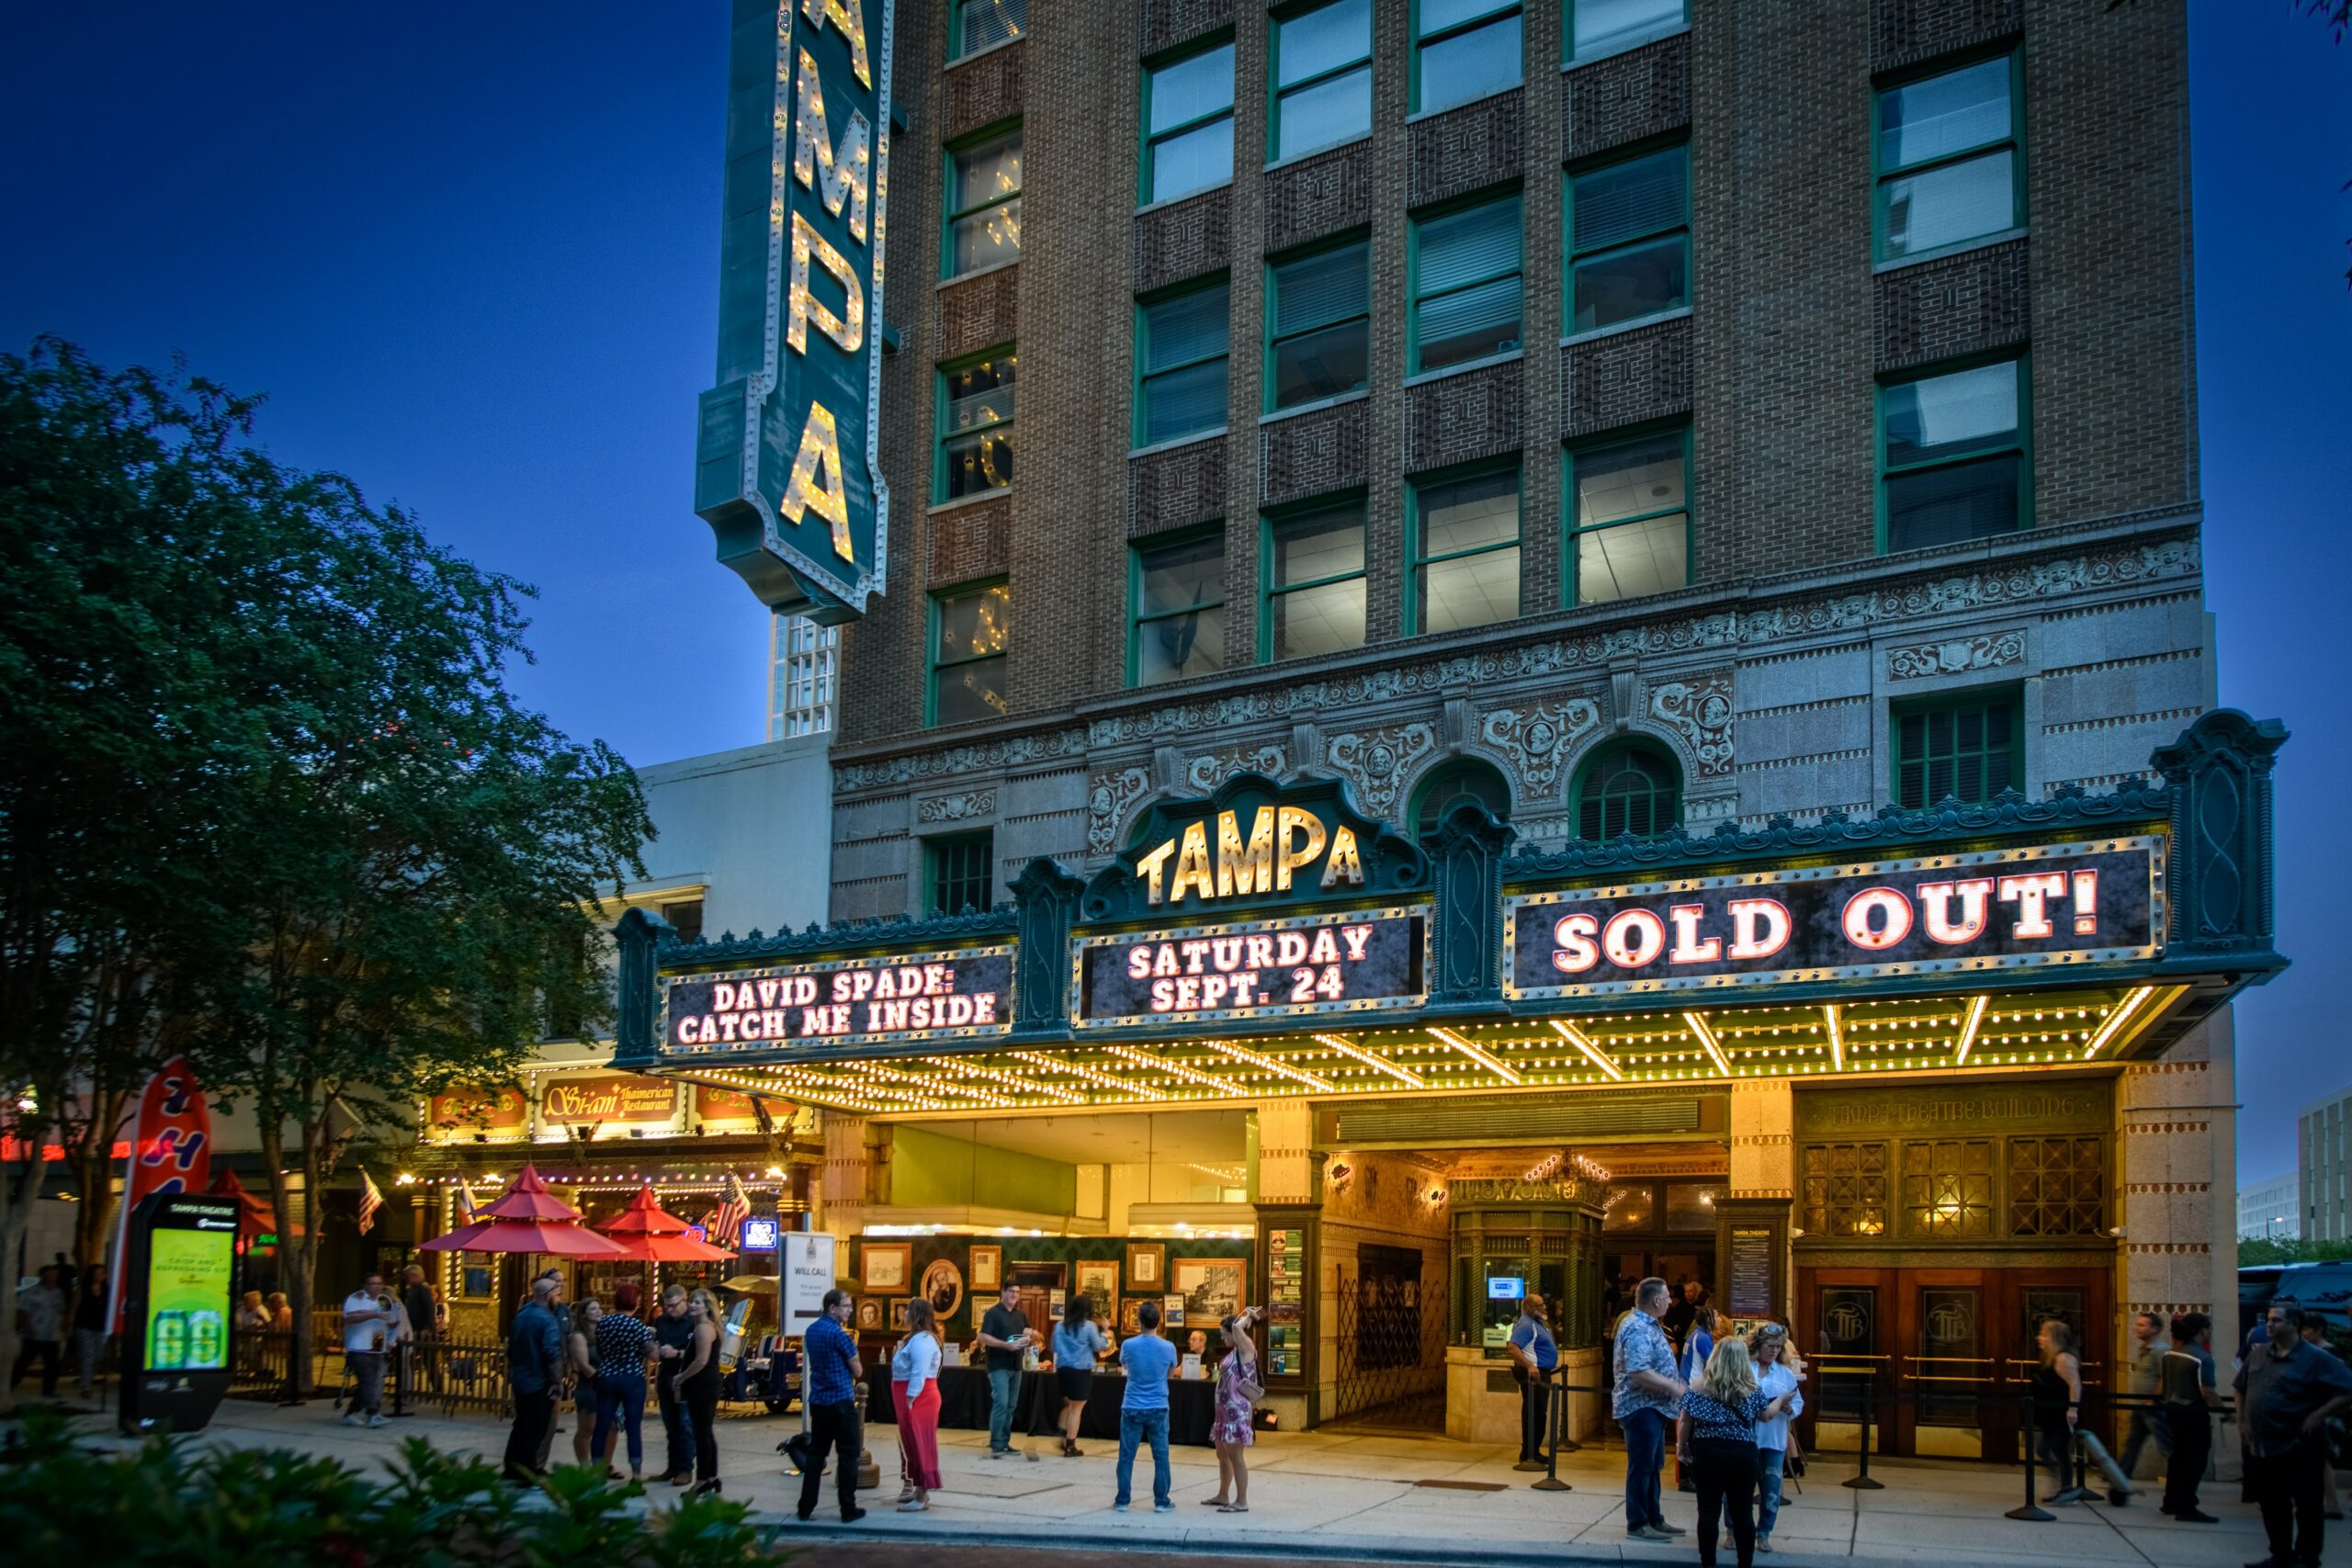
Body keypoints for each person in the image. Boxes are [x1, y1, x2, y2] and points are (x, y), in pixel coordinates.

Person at [2237, 1303, 2352, 1568]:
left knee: (2307, 1504)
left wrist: (2318, 1415)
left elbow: (2347, 1390)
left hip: (2301, 1444)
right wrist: (2242, 1420)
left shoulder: (2317, 1358)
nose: (2270, 1325)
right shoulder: (2259, 1354)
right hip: (2265, 1444)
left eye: (2277, 1320)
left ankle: (2307, 1558)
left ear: (2295, 1325)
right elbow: (2240, 1386)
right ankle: (2281, 1554)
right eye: (2269, 1319)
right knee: (2272, 1502)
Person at [1680, 1337, 1796, 1568]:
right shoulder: (1750, 1388)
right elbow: (1766, 1415)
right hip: (1743, 1454)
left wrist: (1681, 1446)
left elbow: (1685, 1420)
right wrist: (1781, 1399)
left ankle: (1708, 1562)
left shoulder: (1699, 1385)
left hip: (1708, 1451)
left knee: (1708, 1512)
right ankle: (1745, 1562)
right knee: (1743, 1512)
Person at [1611, 1275, 1688, 1543]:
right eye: (1666, 1297)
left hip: (1654, 1407)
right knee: (1642, 1467)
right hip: (1640, 1407)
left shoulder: (1649, 1325)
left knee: (1653, 1466)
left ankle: (1654, 1519)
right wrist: (1672, 1386)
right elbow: (1638, 1370)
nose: (1670, 1301)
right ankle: (1638, 1523)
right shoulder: (1637, 1327)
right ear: (1656, 1300)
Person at [2031, 1319, 2133, 1504]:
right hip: (2051, 1415)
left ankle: (2064, 1486)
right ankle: (2064, 1487)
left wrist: (2073, 1409)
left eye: (2044, 1335)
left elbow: (2075, 1385)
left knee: (2048, 1449)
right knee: (2058, 1450)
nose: (2040, 1338)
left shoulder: (2063, 1358)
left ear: (2055, 1337)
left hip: (2062, 1415)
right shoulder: (2050, 1357)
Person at [796, 1287, 868, 1523]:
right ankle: (848, 1508)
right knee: (848, 1454)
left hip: (819, 1400)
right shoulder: (841, 1336)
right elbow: (858, 1370)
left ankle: (805, 1506)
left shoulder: (812, 1330)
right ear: (832, 1308)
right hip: (841, 1401)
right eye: (846, 1306)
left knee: (816, 1454)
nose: (850, 1310)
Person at [1114, 1297, 1178, 1514]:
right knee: (1161, 1456)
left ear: (1139, 1321)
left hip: (1132, 1405)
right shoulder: (1169, 1347)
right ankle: (1161, 1500)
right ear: (1159, 1322)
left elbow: (1125, 1365)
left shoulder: (1128, 1345)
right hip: (1158, 1406)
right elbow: (1170, 1373)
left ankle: (1123, 1500)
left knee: (1126, 1455)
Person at [2159, 1310, 2223, 1524]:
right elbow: (2208, 1391)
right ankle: (2187, 1505)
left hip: (2172, 1409)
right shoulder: (2202, 1358)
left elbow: (2163, 1385)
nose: (2211, 1332)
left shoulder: (2170, 1354)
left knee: (2177, 1457)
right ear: (2202, 1331)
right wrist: (2223, 1411)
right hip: (2193, 1411)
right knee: (2194, 1460)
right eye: (2209, 1328)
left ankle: (2171, 1501)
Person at [1748, 1324, 1805, 1554]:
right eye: (1769, 1346)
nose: (1773, 1350)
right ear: (1758, 1345)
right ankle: (1733, 1530)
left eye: (1778, 1347)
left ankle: (1763, 1533)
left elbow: (1798, 1402)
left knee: (1771, 1491)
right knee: (1739, 1490)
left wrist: (1791, 1409)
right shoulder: (1746, 1369)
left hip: (1773, 1439)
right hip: (1747, 1439)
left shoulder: (1785, 1374)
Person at [503, 1275, 565, 1484]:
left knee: (521, 1424)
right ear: (547, 1296)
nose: (559, 1299)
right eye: (557, 1295)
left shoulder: (522, 1315)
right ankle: (528, 1471)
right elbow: (552, 1352)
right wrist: (557, 1381)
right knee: (536, 1427)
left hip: (521, 1378)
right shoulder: (547, 1320)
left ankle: (512, 1467)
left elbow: (511, 1347)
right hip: (539, 1380)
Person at [592, 1282, 653, 1483]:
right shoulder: (637, 1326)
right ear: (634, 1302)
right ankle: (636, 1473)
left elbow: (600, 1349)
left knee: (601, 1426)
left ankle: (596, 1470)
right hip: (632, 1376)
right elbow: (651, 1352)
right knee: (633, 1427)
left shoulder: (604, 1323)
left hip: (607, 1374)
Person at [1204, 1304, 1261, 1514]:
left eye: (1224, 1334)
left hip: (1236, 1411)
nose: (1222, 1338)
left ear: (1234, 1333)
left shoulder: (1247, 1348)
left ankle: (1241, 1500)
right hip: (1225, 1411)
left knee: (1236, 1456)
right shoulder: (1235, 1351)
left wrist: (1248, 1316)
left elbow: (1237, 1327)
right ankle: (1223, 1494)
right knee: (1222, 1454)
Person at [892, 1297, 944, 1512]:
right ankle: (919, 1488)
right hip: (912, 1396)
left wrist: (911, 1397)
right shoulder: (915, 1338)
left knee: (921, 1442)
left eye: (907, 1311)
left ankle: (922, 1495)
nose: (904, 1314)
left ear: (916, 1315)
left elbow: (919, 1371)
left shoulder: (922, 1340)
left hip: (920, 1398)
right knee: (912, 1443)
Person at [978, 1280, 1037, 1461]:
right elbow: (982, 1337)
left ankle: (1004, 1442)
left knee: (1011, 1406)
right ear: (1003, 1292)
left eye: (1017, 1292)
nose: (1014, 1295)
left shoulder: (1021, 1315)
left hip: (1016, 1365)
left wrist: (1030, 1336)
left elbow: (1028, 1334)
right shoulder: (993, 1313)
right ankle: (996, 1444)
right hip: (998, 1366)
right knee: (1001, 1403)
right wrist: (1005, 1345)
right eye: (1011, 1291)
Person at [676, 1287, 725, 1495]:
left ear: (707, 1307)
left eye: (698, 1302)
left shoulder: (703, 1329)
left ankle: (702, 1480)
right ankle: (712, 1476)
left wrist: (681, 1377)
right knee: (706, 1432)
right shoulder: (711, 1327)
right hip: (708, 1384)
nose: (693, 1305)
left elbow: (701, 1360)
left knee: (701, 1434)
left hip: (702, 1385)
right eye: (692, 1301)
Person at [2118, 1311, 2174, 1482]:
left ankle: (2180, 1479)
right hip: (2140, 1405)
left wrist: (2153, 1399)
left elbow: (2165, 1377)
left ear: (2155, 1329)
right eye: (2137, 1324)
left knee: (2166, 1446)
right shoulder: (2144, 1349)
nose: (2137, 1328)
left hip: (2154, 1407)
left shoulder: (2160, 1351)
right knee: (2132, 1443)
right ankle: (2120, 1478)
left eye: (2142, 1325)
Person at [1506, 1290, 1558, 1470]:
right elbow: (1512, 1348)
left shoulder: (1538, 1323)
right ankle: (1528, 1453)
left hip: (1541, 1373)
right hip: (1534, 1375)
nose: (1544, 1307)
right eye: (1540, 1305)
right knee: (1534, 1414)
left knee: (1539, 1414)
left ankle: (1534, 1451)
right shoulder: (1526, 1325)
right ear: (1529, 1307)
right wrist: (1529, 1365)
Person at [1052, 1292, 1108, 1458]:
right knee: (1076, 1409)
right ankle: (1070, 1446)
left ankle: (1062, 1433)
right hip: (1081, 1371)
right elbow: (1099, 1346)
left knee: (1069, 1404)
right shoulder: (1089, 1326)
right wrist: (1105, 1331)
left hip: (1063, 1370)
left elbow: (1053, 1347)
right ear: (1087, 1310)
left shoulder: (1059, 1326)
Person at [2302, 1317, 2348, 1521]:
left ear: (2319, 1330)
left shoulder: (2330, 1353)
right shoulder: (2309, 1351)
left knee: (2324, 1458)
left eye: (2307, 1329)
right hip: (2314, 1410)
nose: (2303, 1334)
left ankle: (2332, 1503)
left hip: (2327, 1413)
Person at [651, 1284, 696, 1484]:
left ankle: (686, 1469)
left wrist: (676, 1353)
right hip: (666, 1375)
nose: (670, 1310)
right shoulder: (662, 1321)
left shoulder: (694, 1322)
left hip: (686, 1377)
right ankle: (673, 1466)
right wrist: (656, 1350)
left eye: (673, 1306)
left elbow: (700, 1353)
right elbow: (656, 1343)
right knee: (670, 1425)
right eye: (666, 1306)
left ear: (684, 1301)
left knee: (685, 1424)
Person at [339, 1269, 394, 1427]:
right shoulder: (355, 1299)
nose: (376, 1287)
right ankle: (373, 1414)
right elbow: (349, 1318)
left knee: (369, 1383)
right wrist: (372, 1314)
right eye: (372, 1283)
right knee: (367, 1380)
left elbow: (386, 1320)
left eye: (379, 1283)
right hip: (358, 1347)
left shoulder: (382, 1300)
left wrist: (390, 1336)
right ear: (365, 1285)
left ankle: (351, 1413)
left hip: (376, 1347)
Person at [1676, 1305, 1722, 1493]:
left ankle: (1688, 1475)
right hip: (1695, 1390)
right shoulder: (1703, 1338)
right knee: (1694, 1435)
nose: (1720, 1319)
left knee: (1689, 1433)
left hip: (1687, 1387)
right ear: (1709, 1319)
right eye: (1717, 1316)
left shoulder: (1695, 1335)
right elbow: (1714, 1365)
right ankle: (1689, 1477)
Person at [12, 1263, 66, 1398]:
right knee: (24, 1361)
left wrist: (62, 1327)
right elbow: (22, 1310)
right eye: (51, 1275)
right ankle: (10, 1384)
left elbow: (61, 1310)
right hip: (34, 1333)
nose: (54, 1278)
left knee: (52, 1363)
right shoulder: (32, 1291)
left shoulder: (58, 1292)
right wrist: (27, 1327)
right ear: (43, 1275)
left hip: (51, 1334)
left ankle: (49, 1389)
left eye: (55, 1275)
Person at [568, 1294, 603, 1467]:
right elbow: (584, 1365)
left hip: (604, 1387)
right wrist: (604, 1379)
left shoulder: (603, 1333)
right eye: (593, 1309)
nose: (598, 1311)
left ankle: (601, 1463)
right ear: (583, 1314)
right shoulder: (579, 1336)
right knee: (586, 1428)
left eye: (599, 1308)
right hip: (589, 1386)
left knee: (603, 1427)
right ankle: (584, 1464)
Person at [71, 1265, 108, 1400]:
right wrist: (69, 1324)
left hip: (101, 1327)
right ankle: (86, 1387)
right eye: (97, 1273)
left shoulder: (108, 1290)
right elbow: (74, 1306)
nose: (100, 1276)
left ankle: (88, 1378)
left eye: (102, 1273)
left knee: (98, 1356)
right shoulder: (83, 1289)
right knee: (87, 1355)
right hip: (84, 1326)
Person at [401, 1265, 438, 1393]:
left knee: (429, 1361)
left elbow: (429, 1308)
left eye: (408, 1276)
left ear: (415, 1276)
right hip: (416, 1331)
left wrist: (427, 1327)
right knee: (417, 1360)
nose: (407, 1279)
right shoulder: (415, 1290)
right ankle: (408, 1387)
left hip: (423, 1332)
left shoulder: (423, 1289)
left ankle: (437, 1388)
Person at [1665, 1277, 1706, 1348]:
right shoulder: (1679, 1307)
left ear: (1696, 1292)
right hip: (1680, 1341)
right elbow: (1669, 1321)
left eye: (1690, 1291)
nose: (1688, 1294)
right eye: (1686, 1291)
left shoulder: (1701, 1306)